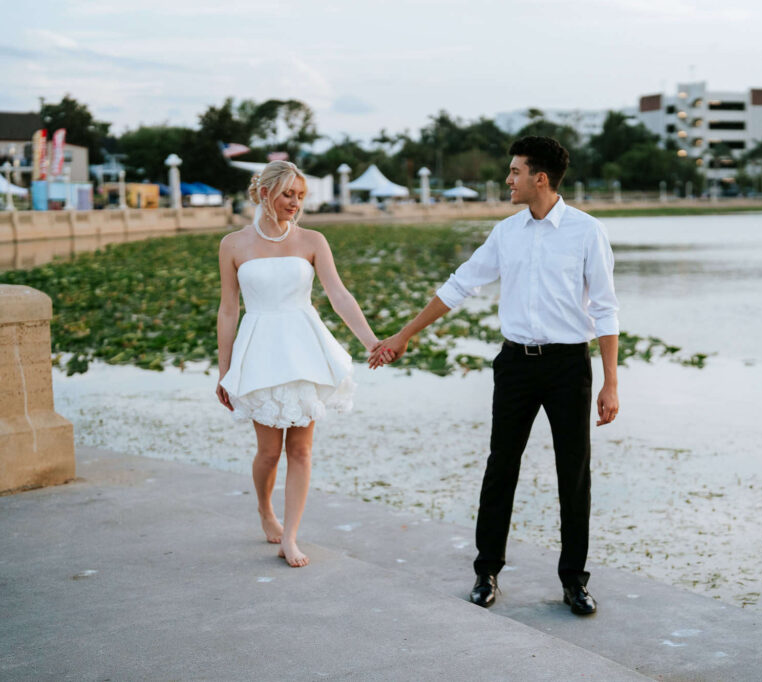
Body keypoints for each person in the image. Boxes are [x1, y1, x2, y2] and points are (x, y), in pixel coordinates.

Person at [369, 136, 620, 615]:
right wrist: (403, 335)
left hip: (569, 366)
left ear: (539, 178)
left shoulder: (588, 233)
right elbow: (459, 284)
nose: (508, 180)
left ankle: (574, 581)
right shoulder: (506, 233)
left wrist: (611, 382)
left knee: (575, 473)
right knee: (500, 467)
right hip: (515, 366)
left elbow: (606, 310)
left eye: (515, 172)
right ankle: (486, 573)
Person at [216, 160, 391, 567]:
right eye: (287, 195)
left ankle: (290, 538)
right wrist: (224, 370)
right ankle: (265, 510)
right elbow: (228, 309)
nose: (295, 203)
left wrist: (371, 342)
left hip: (303, 348)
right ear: (264, 193)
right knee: (268, 453)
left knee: (301, 450)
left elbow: (338, 294)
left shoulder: (312, 240)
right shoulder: (233, 245)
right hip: (259, 348)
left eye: (300, 196)